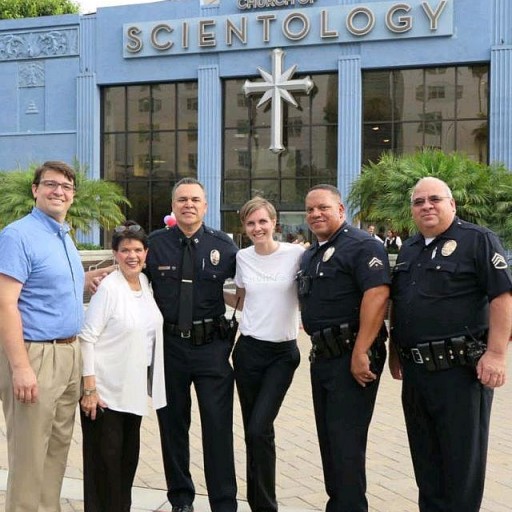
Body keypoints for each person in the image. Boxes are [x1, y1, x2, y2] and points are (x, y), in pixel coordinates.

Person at [389, 176, 512, 512]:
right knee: (426, 464)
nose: (427, 206)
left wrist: (497, 354)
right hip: (416, 374)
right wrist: (394, 352)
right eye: (419, 202)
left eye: (435, 199)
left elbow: (503, 296)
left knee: (460, 467)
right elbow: (400, 303)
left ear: (452, 204)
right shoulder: (410, 247)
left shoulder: (478, 240)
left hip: (460, 373)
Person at [0, 161, 111, 512]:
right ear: (35, 190)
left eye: (66, 186)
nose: (58, 191)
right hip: (36, 357)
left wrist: (94, 279)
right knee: (30, 457)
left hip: (68, 355)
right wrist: (20, 368)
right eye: (50, 184)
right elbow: (5, 304)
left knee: (56, 452)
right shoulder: (18, 235)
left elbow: (52, 289)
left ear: (73, 195)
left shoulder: (62, 234)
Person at [145, 177, 238, 512]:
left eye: (195, 200)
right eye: (182, 199)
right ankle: (181, 499)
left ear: (205, 206)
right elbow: (132, 279)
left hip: (211, 347)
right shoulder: (154, 244)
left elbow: (250, 282)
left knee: (218, 427)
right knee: (172, 427)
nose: (188, 205)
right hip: (169, 349)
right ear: (173, 206)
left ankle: (224, 502)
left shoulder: (224, 245)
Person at [297, 184, 390, 512]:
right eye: (310, 210)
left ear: (341, 210)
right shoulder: (310, 253)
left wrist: (361, 351)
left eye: (322, 207)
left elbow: (377, 295)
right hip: (322, 356)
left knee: (346, 442)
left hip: (352, 356)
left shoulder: (361, 245)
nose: (315, 214)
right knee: (330, 441)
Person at [79, 220, 166, 512]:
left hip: (133, 392)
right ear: (115, 254)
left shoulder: (144, 283)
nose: (132, 256)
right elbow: (86, 337)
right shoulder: (109, 289)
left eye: (138, 250)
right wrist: (89, 389)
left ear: (146, 253)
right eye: (125, 250)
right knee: (104, 471)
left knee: (126, 466)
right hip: (105, 396)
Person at [225, 197, 303, 512]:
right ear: (244, 228)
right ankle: (259, 504)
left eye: (262, 222)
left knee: (260, 427)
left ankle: (266, 505)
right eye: (251, 223)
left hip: (282, 355)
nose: (257, 228)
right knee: (255, 433)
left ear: (274, 223)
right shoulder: (242, 258)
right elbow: (243, 299)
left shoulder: (296, 254)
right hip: (248, 352)